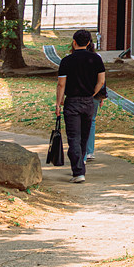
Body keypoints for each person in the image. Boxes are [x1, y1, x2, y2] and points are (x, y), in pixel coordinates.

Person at [54, 29, 106, 183]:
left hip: (72, 102)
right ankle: (80, 167)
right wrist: (92, 93)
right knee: (83, 137)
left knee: (74, 137)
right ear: (89, 42)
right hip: (88, 102)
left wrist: (58, 103)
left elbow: (61, 84)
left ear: (74, 42)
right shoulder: (96, 59)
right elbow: (101, 81)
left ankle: (78, 172)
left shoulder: (66, 60)